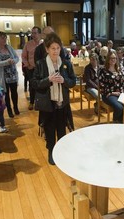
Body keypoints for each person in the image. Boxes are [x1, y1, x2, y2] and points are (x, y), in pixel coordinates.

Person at [31, 32, 76, 165]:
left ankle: (61, 151)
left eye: (58, 48)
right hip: (48, 103)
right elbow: (34, 83)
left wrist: (64, 80)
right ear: (47, 49)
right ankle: (51, 151)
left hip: (62, 103)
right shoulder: (40, 64)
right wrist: (48, 80)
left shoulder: (66, 63)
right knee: (50, 130)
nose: (56, 51)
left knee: (61, 129)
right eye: (53, 48)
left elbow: (73, 81)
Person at [0, 31, 20, 118]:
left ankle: (16, 107)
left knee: (14, 92)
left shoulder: (9, 47)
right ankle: (9, 110)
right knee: (6, 94)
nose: (4, 40)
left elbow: (17, 58)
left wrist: (14, 61)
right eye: (2, 38)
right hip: (3, 76)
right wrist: (7, 62)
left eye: (5, 38)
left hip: (12, 74)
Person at [98, 50, 124, 123]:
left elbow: (123, 83)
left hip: (120, 93)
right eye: (111, 58)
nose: (113, 60)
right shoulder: (103, 70)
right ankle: (115, 122)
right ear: (108, 59)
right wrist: (112, 92)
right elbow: (101, 85)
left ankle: (121, 122)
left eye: (115, 58)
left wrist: (121, 92)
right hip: (108, 94)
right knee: (119, 107)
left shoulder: (120, 69)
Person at [22, 26, 41, 110]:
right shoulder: (28, 44)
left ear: (39, 34)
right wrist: (27, 64)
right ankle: (32, 102)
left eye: (35, 33)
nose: (33, 35)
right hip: (31, 68)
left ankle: (40, 102)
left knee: (41, 85)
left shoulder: (43, 44)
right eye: (32, 33)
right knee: (32, 86)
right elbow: (23, 56)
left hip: (41, 69)